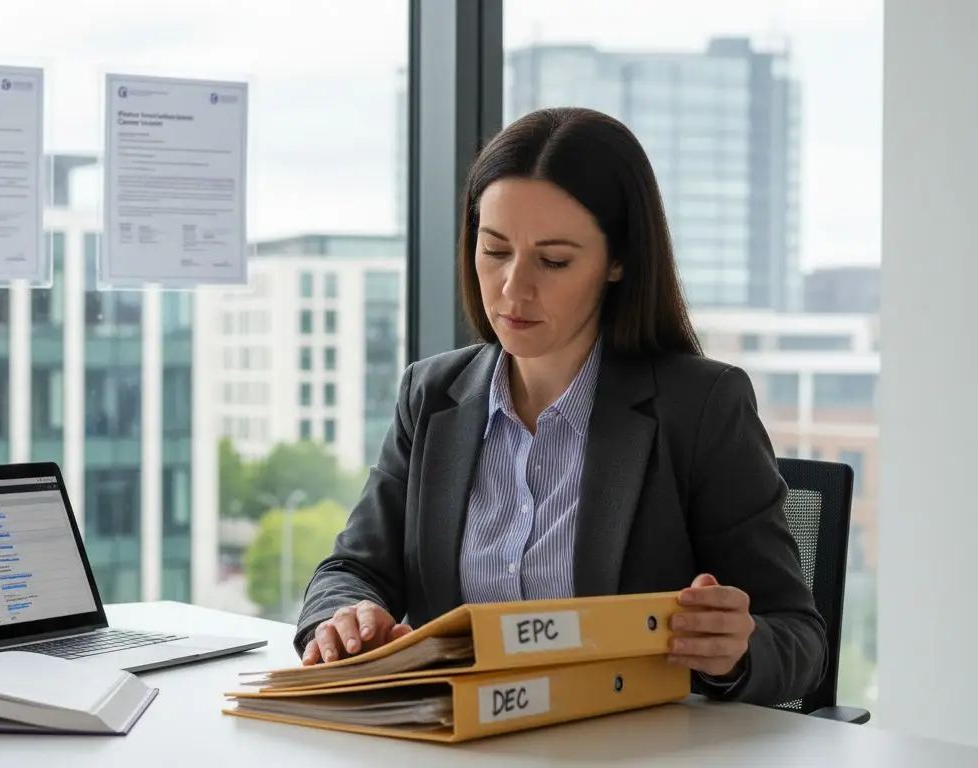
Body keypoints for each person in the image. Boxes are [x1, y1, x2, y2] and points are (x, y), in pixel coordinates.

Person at [293, 106, 826, 707]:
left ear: (618, 261)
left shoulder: (700, 407)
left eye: (553, 262)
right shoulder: (432, 394)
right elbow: (352, 570)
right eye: (494, 251)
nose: (513, 289)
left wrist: (735, 651)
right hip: (457, 739)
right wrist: (340, 619)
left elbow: (799, 638)